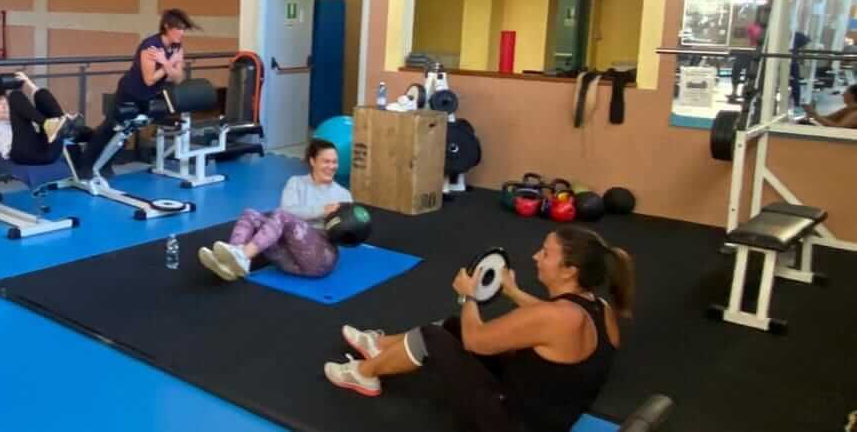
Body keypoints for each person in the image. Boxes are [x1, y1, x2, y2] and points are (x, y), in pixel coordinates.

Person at [325, 228, 632, 432]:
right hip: (553, 411)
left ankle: (364, 375)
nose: (537, 256)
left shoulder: (555, 317)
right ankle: (379, 346)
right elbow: (551, 319)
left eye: (547, 253)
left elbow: (476, 342)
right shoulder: (598, 307)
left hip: (513, 423)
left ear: (569, 270)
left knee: (437, 337)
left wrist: (468, 295)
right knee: (452, 326)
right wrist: (512, 291)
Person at [198, 137, 351, 281]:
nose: (331, 167)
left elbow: (346, 234)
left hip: (318, 260)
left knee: (280, 215)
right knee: (249, 214)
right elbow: (288, 211)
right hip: (288, 259)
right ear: (312, 161)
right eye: (326, 162)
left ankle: (243, 255)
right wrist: (322, 210)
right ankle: (231, 262)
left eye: (334, 162)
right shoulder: (295, 183)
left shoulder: (343, 195)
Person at [81, 8, 195, 168]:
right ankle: (85, 165)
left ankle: (105, 164)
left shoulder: (177, 48)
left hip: (149, 96)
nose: (182, 33)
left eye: (184, 29)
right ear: (167, 27)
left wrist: (165, 62)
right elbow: (149, 79)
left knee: (125, 132)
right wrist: (168, 64)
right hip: (130, 93)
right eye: (179, 28)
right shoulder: (150, 47)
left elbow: (178, 78)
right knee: (110, 129)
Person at [0, 71, 75, 166]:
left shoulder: (24, 118)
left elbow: (37, 99)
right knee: (15, 95)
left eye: (7, 104)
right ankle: (55, 126)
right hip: (24, 154)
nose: (5, 107)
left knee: (43, 93)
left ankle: (65, 128)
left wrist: (27, 82)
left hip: (50, 150)